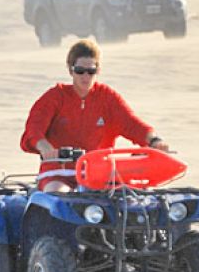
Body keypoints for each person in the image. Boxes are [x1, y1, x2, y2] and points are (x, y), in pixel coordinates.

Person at [20, 39, 170, 192]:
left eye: (91, 71)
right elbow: (34, 128)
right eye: (80, 70)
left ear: (98, 70)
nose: (86, 76)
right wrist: (45, 148)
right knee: (58, 195)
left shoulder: (107, 97)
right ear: (71, 70)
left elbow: (131, 123)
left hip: (99, 174)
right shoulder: (55, 97)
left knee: (130, 197)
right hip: (59, 173)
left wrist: (154, 140)